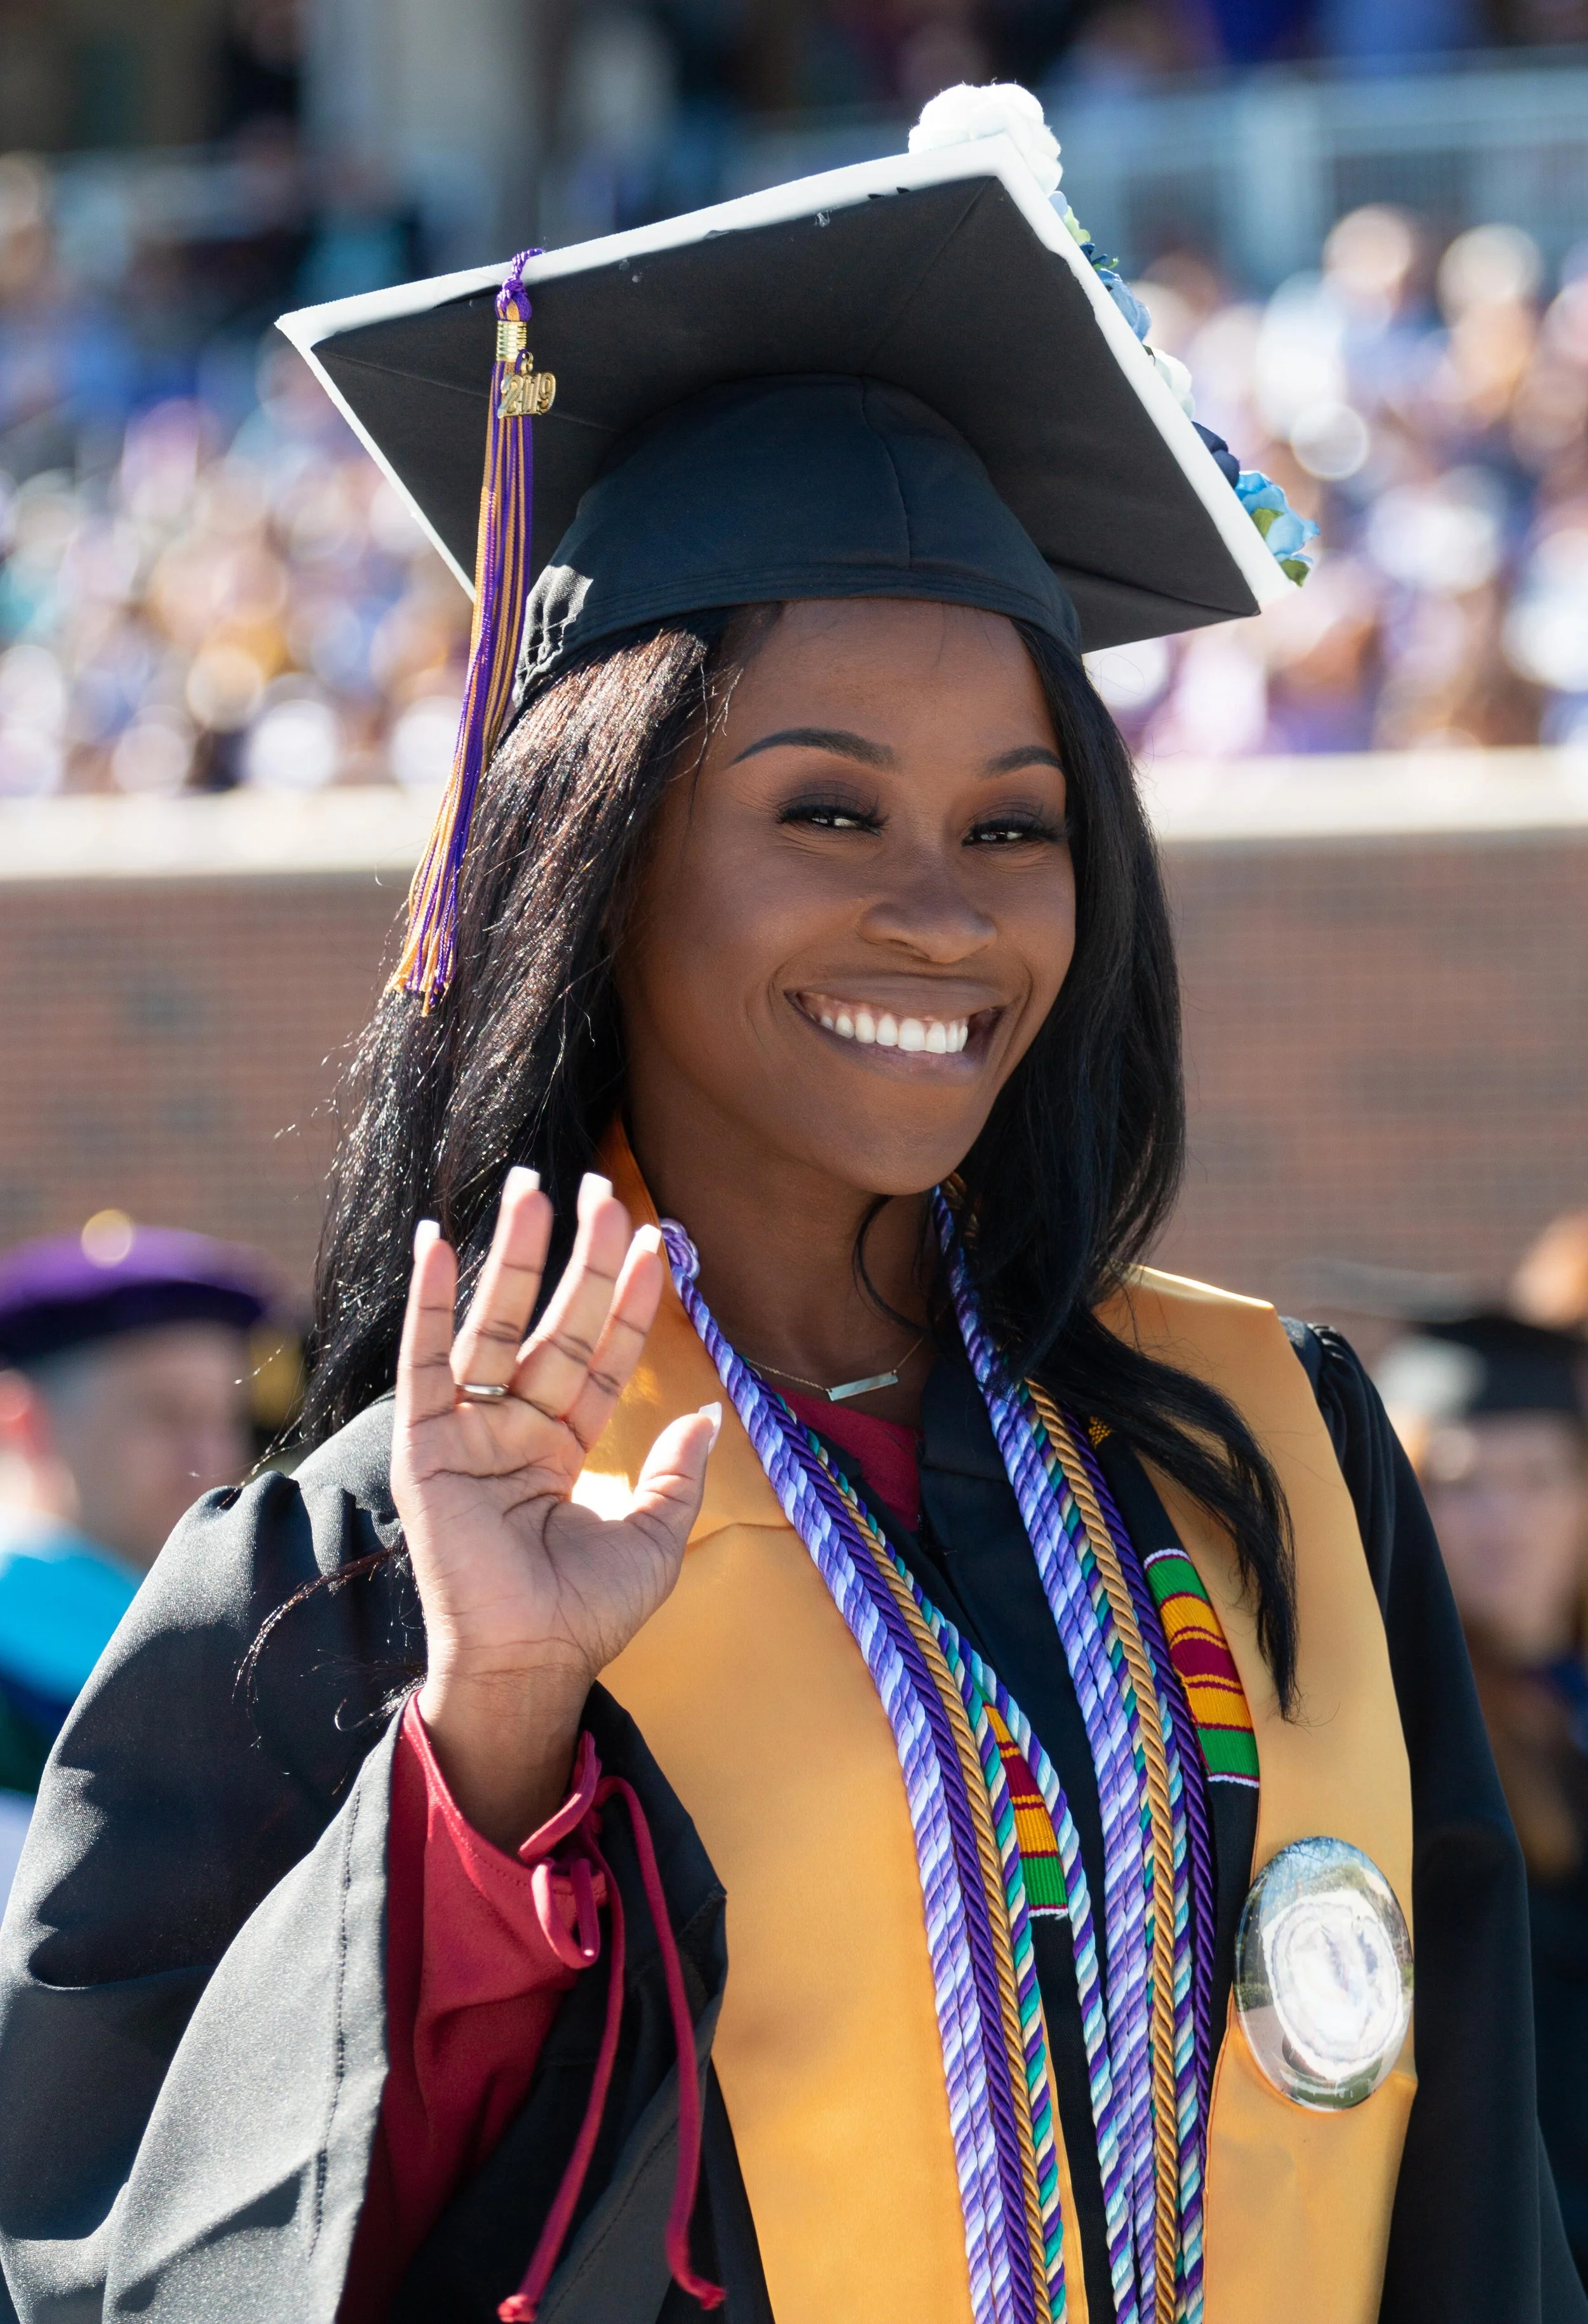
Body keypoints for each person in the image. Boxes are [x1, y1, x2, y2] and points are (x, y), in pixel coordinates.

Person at [0, 83, 1575, 2324]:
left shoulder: (1269, 1448)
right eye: (826, 812)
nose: (942, 910)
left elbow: (1472, 2182)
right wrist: (489, 1751)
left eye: (1016, 826)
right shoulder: (370, 1558)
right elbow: (161, 2246)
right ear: (601, 855)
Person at [1382, 1310, 1588, 2282]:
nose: (1504, 1519)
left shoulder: (1568, 1709)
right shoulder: (1405, 1734)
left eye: (1539, 1477)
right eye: (1461, 1484)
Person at [0, 1216, 270, 1901]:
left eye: (223, 1418)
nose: (208, 1456)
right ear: (27, 1422)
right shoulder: (15, 1667)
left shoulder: (265, 1643)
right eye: (163, 1415)